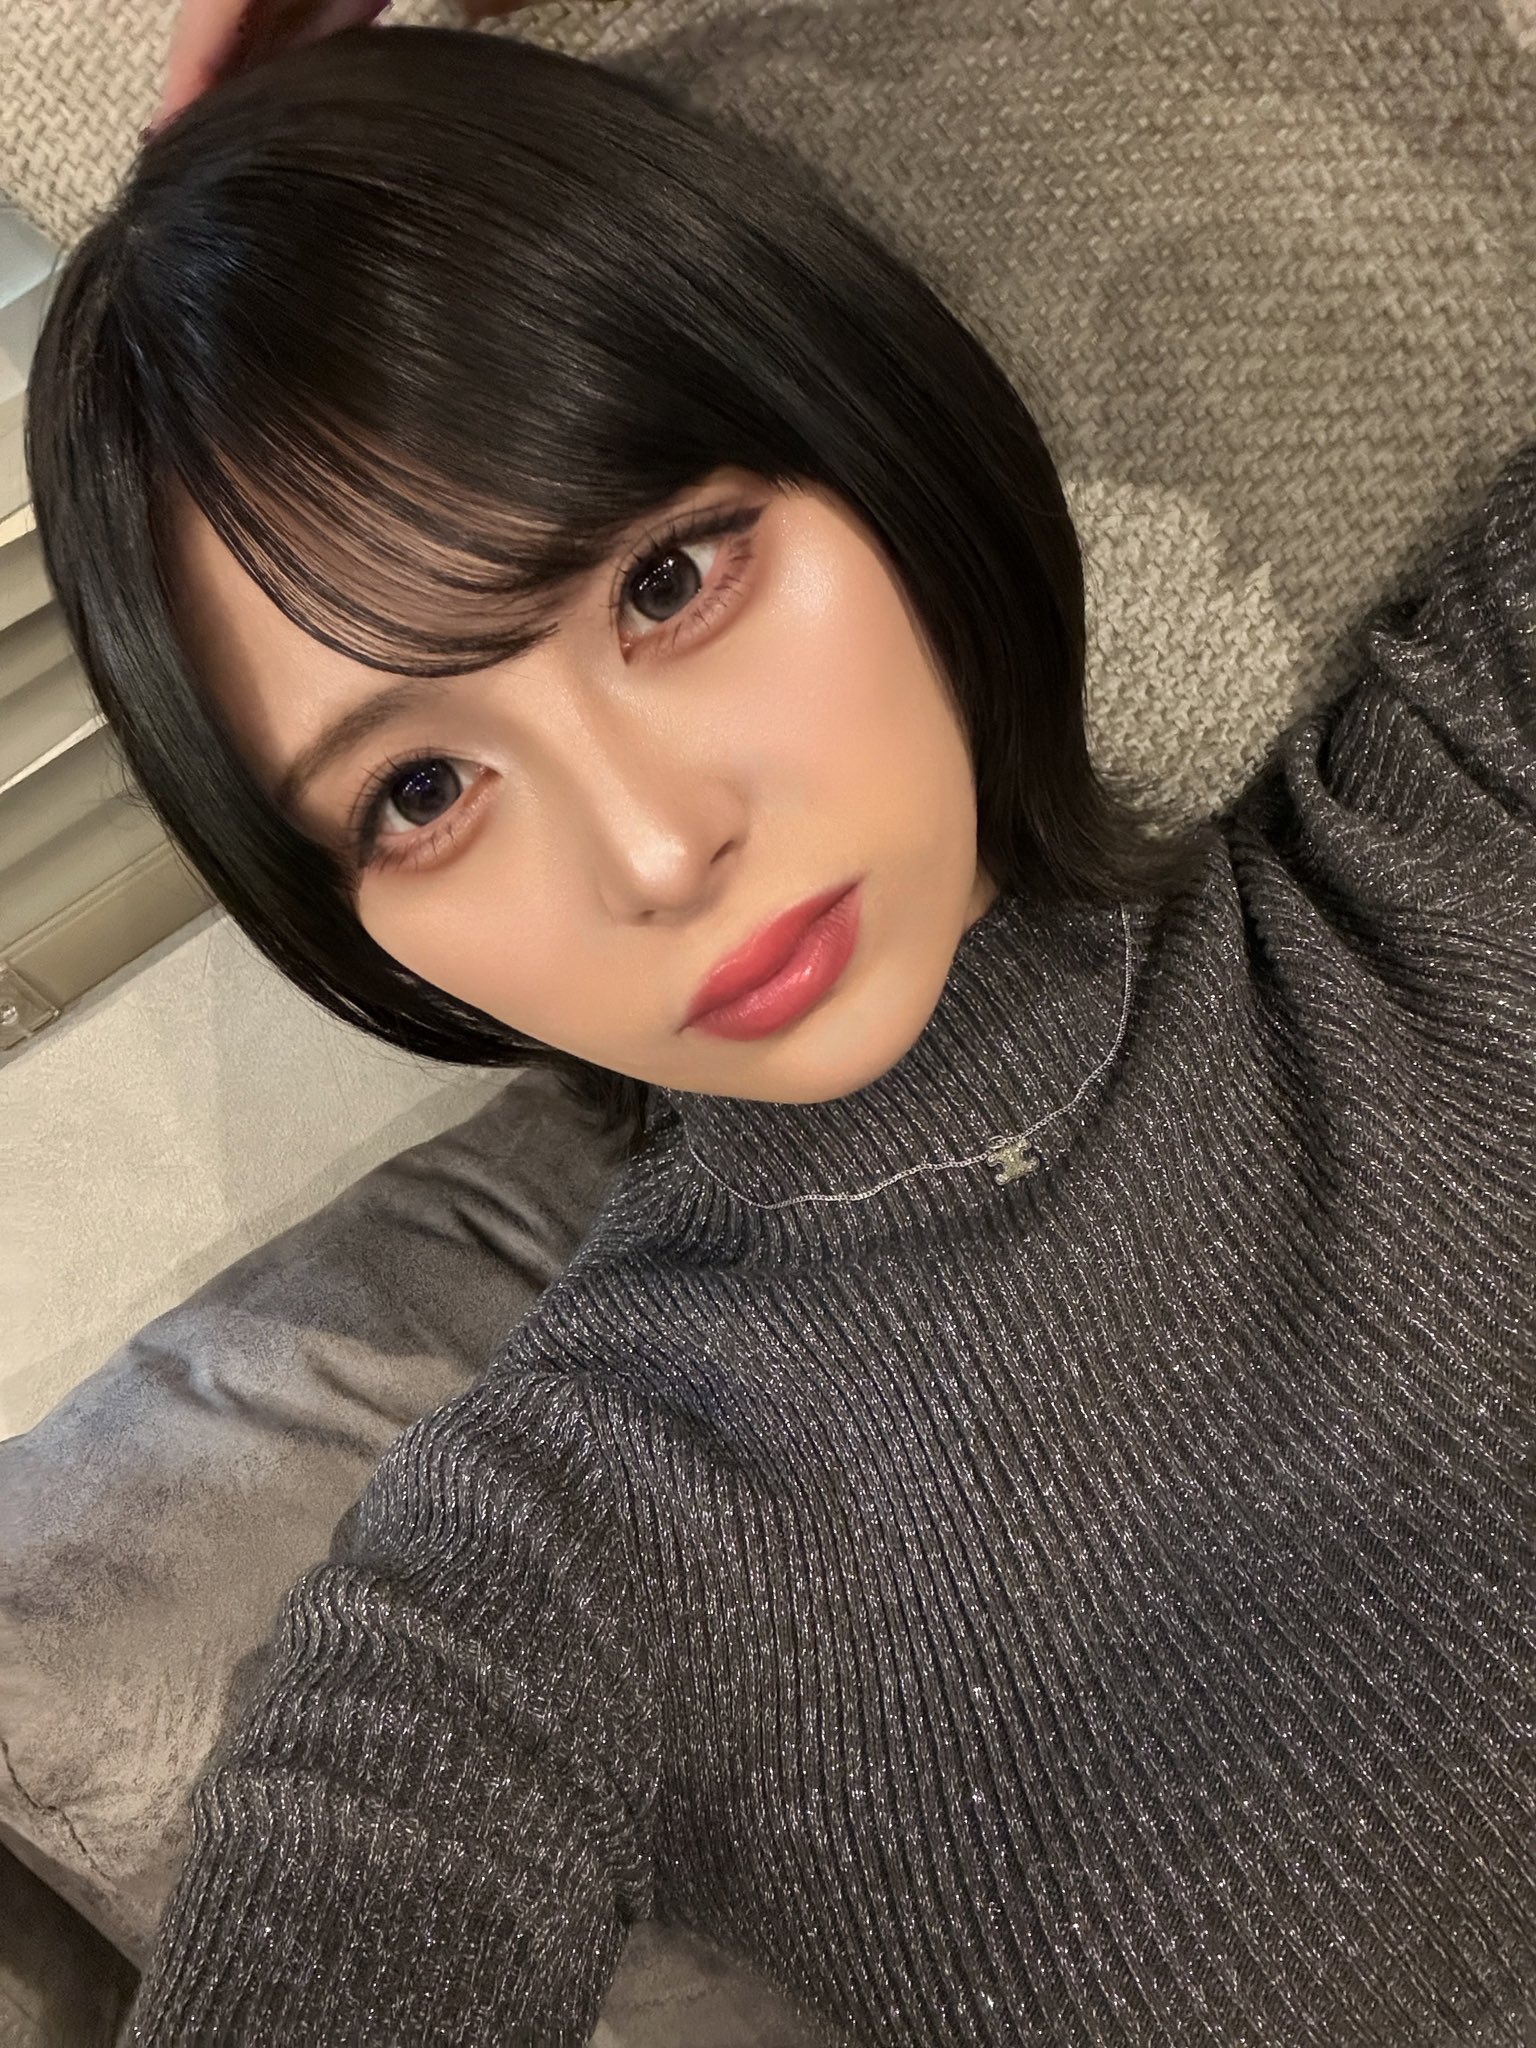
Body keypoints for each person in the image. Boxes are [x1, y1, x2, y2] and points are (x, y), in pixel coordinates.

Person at [24, 21, 1535, 2047]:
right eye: (420, 792)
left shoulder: (1451, 816)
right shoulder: (541, 1574)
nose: (659, 850)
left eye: (668, 580)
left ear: (870, 435)